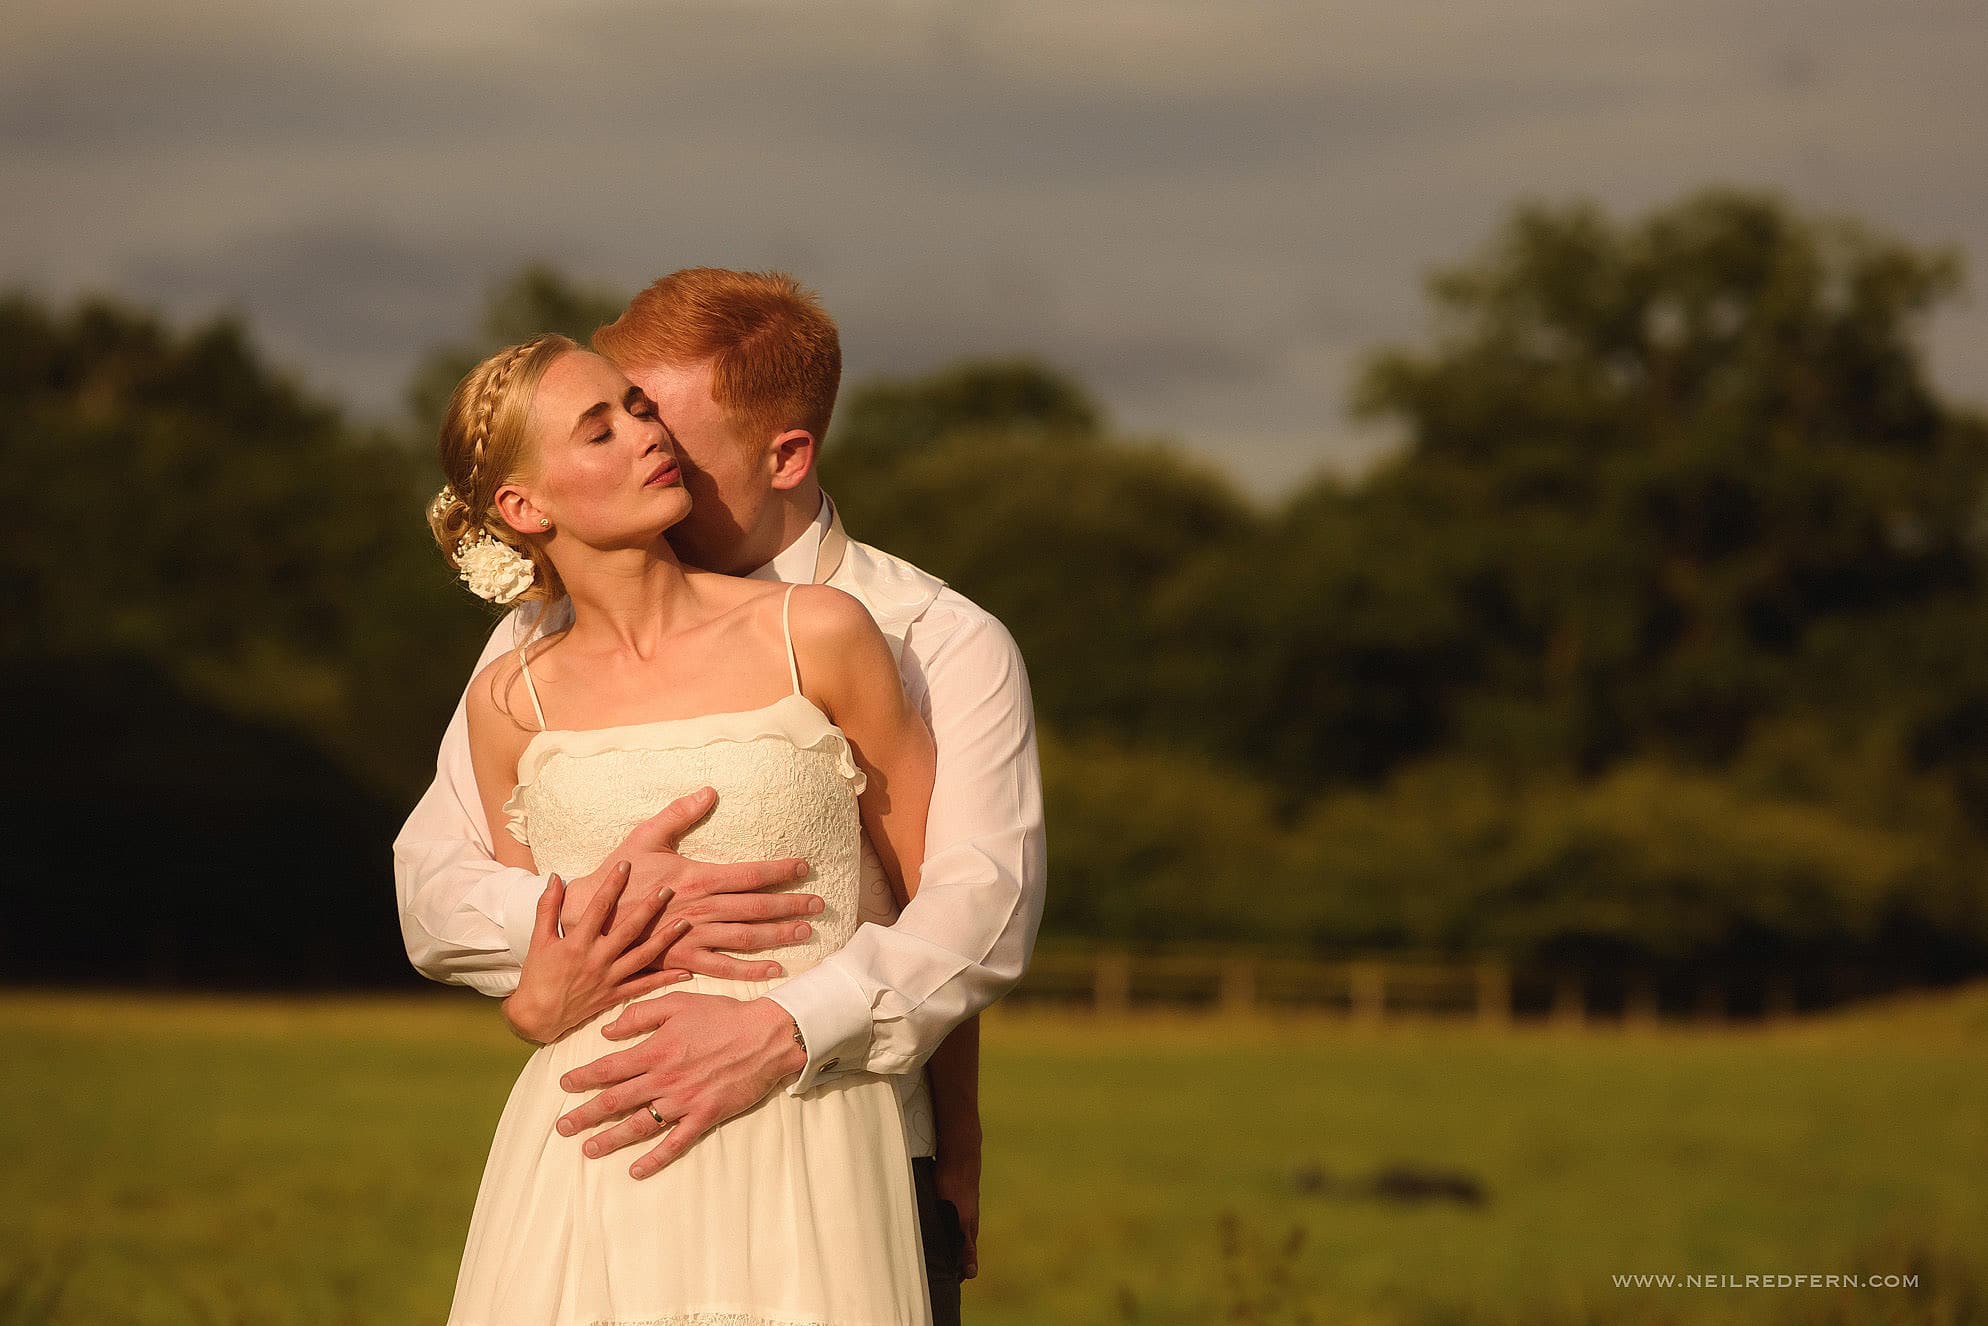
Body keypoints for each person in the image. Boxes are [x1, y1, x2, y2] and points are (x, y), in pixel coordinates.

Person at [394, 269, 1047, 1323]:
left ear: (784, 453)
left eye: (658, 423)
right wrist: (591, 926)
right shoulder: (525, 650)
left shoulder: (928, 635)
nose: (647, 445)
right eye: (612, 418)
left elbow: (980, 904)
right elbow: (436, 883)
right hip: (608, 1139)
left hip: (846, 1151)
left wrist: (790, 1028)